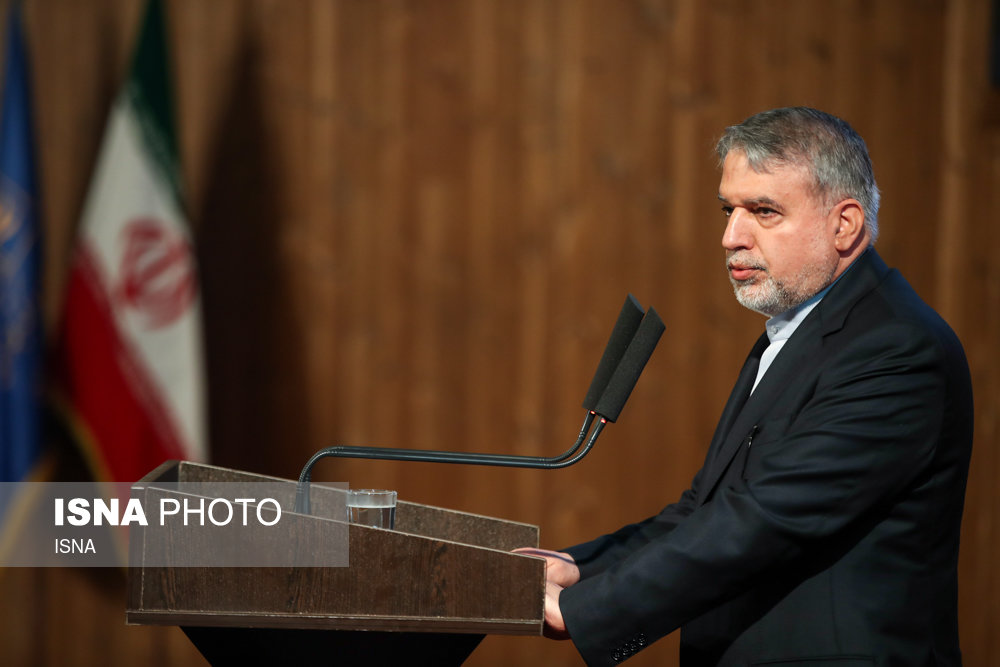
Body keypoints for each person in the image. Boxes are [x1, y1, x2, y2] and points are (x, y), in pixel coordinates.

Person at [518, 107, 974, 666]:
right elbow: (706, 510)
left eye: (764, 211)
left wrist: (590, 609)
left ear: (845, 225)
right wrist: (583, 568)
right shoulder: (797, 331)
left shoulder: (897, 349)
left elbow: (765, 519)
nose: (731, 237)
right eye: (728, 210)